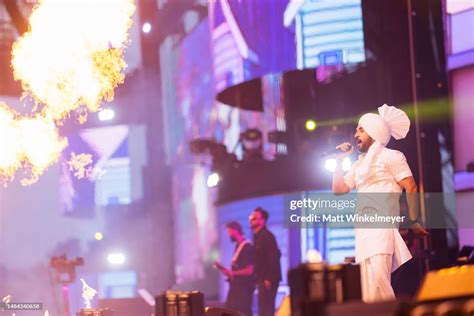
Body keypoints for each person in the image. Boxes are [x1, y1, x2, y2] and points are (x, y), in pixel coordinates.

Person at [332, 104, 428, 302]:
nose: (355, 134)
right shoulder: (359, 164)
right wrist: (339, 160)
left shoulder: (392, 156)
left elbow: (411, 186)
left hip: (381, 227)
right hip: (363, 232)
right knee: (368, 290)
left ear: (374, 132)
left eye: (361, 129)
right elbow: (339, 189)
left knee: (379, 282)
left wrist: (414, 220)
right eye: (356, 129)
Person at [217, 221, 255, 316]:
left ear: (235, 231)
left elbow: (249, 270)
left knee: (242, 312)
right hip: (236, 288)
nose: (229, 235)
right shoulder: (238, 246)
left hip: (243, 289)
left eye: (229, 232)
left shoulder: (247, 247)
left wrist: (233, 273)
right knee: (230, 311)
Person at [249, 207, 282, 316]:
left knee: (266, 310)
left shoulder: (267, 236)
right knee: (263, 309)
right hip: (262, 279)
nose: (251, 220)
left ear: (262, 221)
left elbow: (274, 256)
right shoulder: (258, 237)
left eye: (254, 218)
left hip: (267, 280)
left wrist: (268, 278)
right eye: (251, 218)